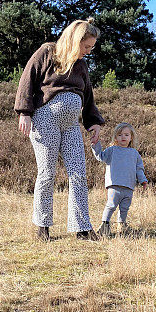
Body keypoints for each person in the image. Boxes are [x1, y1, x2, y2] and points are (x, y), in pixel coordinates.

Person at [14, 19, 105, 242]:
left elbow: (88, 96)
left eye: (91, 47)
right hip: (45, 121)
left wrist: (93, 121)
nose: (88, 51)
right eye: (86, 46)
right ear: (75, 41)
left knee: (78, 174)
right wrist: (24, 111)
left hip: (71, 125)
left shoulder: (82, 65)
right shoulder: (48, 52)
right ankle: (42, 226)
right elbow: (27, 79)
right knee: (47, 173)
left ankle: (82, 228)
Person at [91, 122, 148, 237]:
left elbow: (139, 169)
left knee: (125, 207)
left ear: (131, 137)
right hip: (114, 185)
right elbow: (101, 157)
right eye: (120, 134)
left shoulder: (134, 153)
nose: (123, 137)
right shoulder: (112, 150)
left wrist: (143, 180)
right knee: (111, 205)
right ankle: (104, 225)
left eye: (126, 135)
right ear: (115, 137)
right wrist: (96, 145)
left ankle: (122, 225)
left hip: (129, 186)